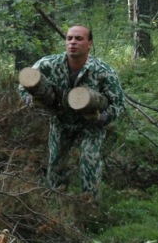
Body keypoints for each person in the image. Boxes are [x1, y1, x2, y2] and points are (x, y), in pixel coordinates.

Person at [18, 25, 124, 200]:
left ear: (89, 44)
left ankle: (89, 204)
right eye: (69, 38)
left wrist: (102, 117)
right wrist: (29, 99)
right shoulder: (48, 64)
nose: (73, 42)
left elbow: (118, 104)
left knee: (89, 158)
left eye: (79, 39)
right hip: (61, 119)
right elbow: (24, 86)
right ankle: (57, 202)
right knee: (56, 161)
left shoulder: (103, 71)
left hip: (91, 123)